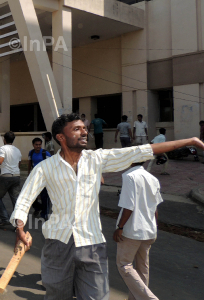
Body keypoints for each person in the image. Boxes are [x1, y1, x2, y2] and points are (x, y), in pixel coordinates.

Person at [11, 113, 204, 299]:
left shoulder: (96, 159)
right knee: (58, 296)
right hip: (58, 243)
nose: (84, 132)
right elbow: (25, 198)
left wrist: (190, 141)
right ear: (61, 137)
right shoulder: (45, 168)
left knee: (97, 296)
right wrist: (19, 227)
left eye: (84, 129)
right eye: (77, 129)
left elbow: (142, 150)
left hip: (92, 243)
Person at [113, 162, 162, 300]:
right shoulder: (153, 178)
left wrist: (120, 227)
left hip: (132, 230)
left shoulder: (129, 176)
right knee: (142, 268)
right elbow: (155, 207)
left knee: (124, 265)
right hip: (149, 230)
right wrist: (155, 226)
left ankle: (149, 298)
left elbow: (129, 206)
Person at [0, 131, 23, 229]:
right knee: (16, 200)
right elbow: (19, 165)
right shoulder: (17, 150)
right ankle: (18, 223)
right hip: (16, 176)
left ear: (4, 140)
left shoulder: (3, 148)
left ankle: (4, 219)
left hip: (6, 176)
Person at [27, 137, 51, 219]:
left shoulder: (45, 153)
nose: (38, 146)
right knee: (32, 195)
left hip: (44, 178)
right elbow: (30, 163)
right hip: (35, 177)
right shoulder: (31, 153)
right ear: (33, 145)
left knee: (44, 196)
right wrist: (28, 174)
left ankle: (45, 214)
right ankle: (38, 208)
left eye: (40, 144)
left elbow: (51, 164)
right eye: (36, 144)